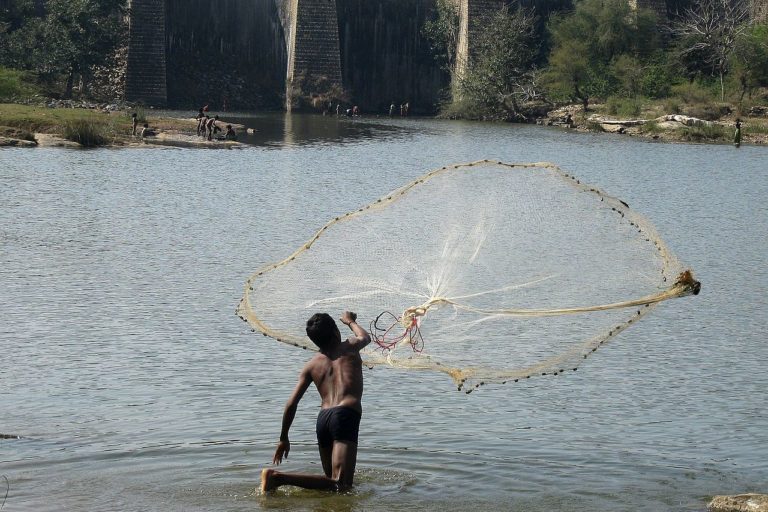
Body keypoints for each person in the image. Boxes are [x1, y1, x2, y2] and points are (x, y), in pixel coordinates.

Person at [260, 311, 372, 493]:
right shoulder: (350, 347)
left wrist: (284, 438)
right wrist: (350, 321)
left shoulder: (312, 365)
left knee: (331, 485)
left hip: (324, 419)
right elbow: (365, 337)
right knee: (341, 484)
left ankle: (277, 481)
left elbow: (291, 403)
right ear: (336, 331)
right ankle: (277, 478)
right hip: (345, 415)